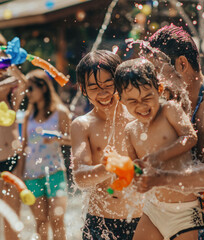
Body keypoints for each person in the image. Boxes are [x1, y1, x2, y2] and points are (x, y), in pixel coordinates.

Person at [133, 24, 204, 239]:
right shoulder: (176, 105)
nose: (154, 80)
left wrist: (159, 178)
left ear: (181, 64)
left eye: (157, 70)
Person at [114, 58, 204, 240]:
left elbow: (190, 137)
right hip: (153, 209)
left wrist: (157, 157)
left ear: (160, 90)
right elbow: (135, 168)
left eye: (147, 97)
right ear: (120, 100)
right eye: (132, 101)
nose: (142, 105)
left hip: (184, 211)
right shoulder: (130, 130)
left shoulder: (170, 110)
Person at [71, 50, 142, 240]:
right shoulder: (83, 125)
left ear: (120, 81)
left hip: (144, 220)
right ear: (83, 89)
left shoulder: (139, 117)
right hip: (101, 221)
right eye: (93, 87)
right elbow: (79, 177)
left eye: (108, 84)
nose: (102, 92)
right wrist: (107, 168)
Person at [21, 69, 71, 240]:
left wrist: (58, 138)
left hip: (55, 171)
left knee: (57, 219)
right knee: (41, 221)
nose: (27, 93)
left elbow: (73, 140)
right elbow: (23, 147)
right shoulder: (29, 115)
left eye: (30, 89)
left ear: (43, 88)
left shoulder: (60, 112)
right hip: (31, 174)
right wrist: (19, 176)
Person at [0, 34, 27, 240]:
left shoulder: (11, 100)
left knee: (13, 214)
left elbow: (23, 83)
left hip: (11, 159)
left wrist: (10, 62)